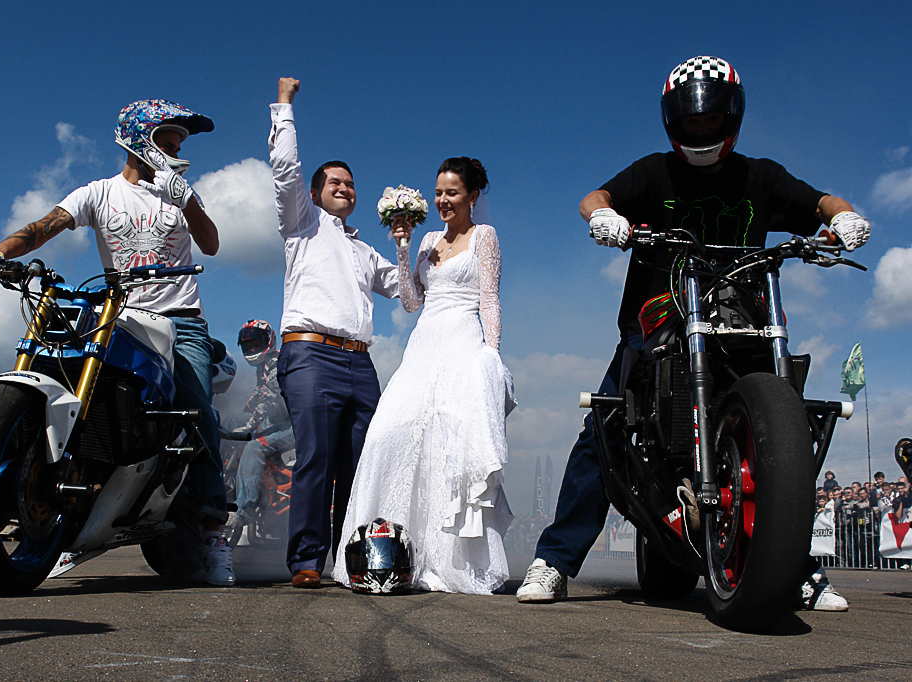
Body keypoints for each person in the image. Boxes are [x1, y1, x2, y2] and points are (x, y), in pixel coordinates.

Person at [515, 56, 870, 612]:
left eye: (710, 120)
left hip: (742, 322)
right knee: (603, 427)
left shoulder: (761, 176)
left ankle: (792, 565)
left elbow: (822, 202)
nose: (701, 130)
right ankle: (554, 561)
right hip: (655, 323)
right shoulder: (654, 172)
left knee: (784, 432)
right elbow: (595, 198)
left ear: (732, 117)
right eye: (691, 121)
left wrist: (844, 218)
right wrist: (604, 218)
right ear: (673, 122)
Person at [0, 99, 235, 586]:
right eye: (168, 141)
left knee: (199, 413)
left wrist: (187, 200)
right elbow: (43, 227)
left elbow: (211, 243)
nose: (177, 151)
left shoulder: (179, 195)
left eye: (179, 144)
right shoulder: (98, 193)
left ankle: (214, 532)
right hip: (118, 313)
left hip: (180, 318)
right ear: (138, 140)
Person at [331, 157, 515, 595]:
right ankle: (378, 551)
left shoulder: (485, 236)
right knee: (388, 433)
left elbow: (489, 299)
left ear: (472, 196)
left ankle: (444, 560)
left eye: (452, 192)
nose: (442, 201)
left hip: (463, 341)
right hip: (424, 344)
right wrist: (403, 246)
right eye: (438, 193)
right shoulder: (429, 239)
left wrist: (491, 357)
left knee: (449, 443)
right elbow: (412, 301)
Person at [268, 77, 400, 588]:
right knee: (317, 457)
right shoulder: (303, 223)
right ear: (315, 193)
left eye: (350, 184)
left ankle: (351, 559)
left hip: (359, 362)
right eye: (335, 183)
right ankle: (306, 560)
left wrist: (421, 245)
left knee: (361, 462)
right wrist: (284, 108)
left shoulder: (364, 251)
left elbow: (405, 287)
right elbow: (286, 171)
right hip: (311, 354)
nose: (344, 188)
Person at [227, 319, 295, 540]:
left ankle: (243, 509)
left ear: (269, 342)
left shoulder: (277, 363)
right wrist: (245, 417)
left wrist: (249, 425)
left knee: (254, 447)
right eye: (249, 346)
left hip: (297, 425)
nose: (253, 349)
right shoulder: (262, 367)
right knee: (230, 420)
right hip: (279, 421)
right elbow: (258, 395)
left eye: (257, 344)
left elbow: (270, 398)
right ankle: (224, 475)